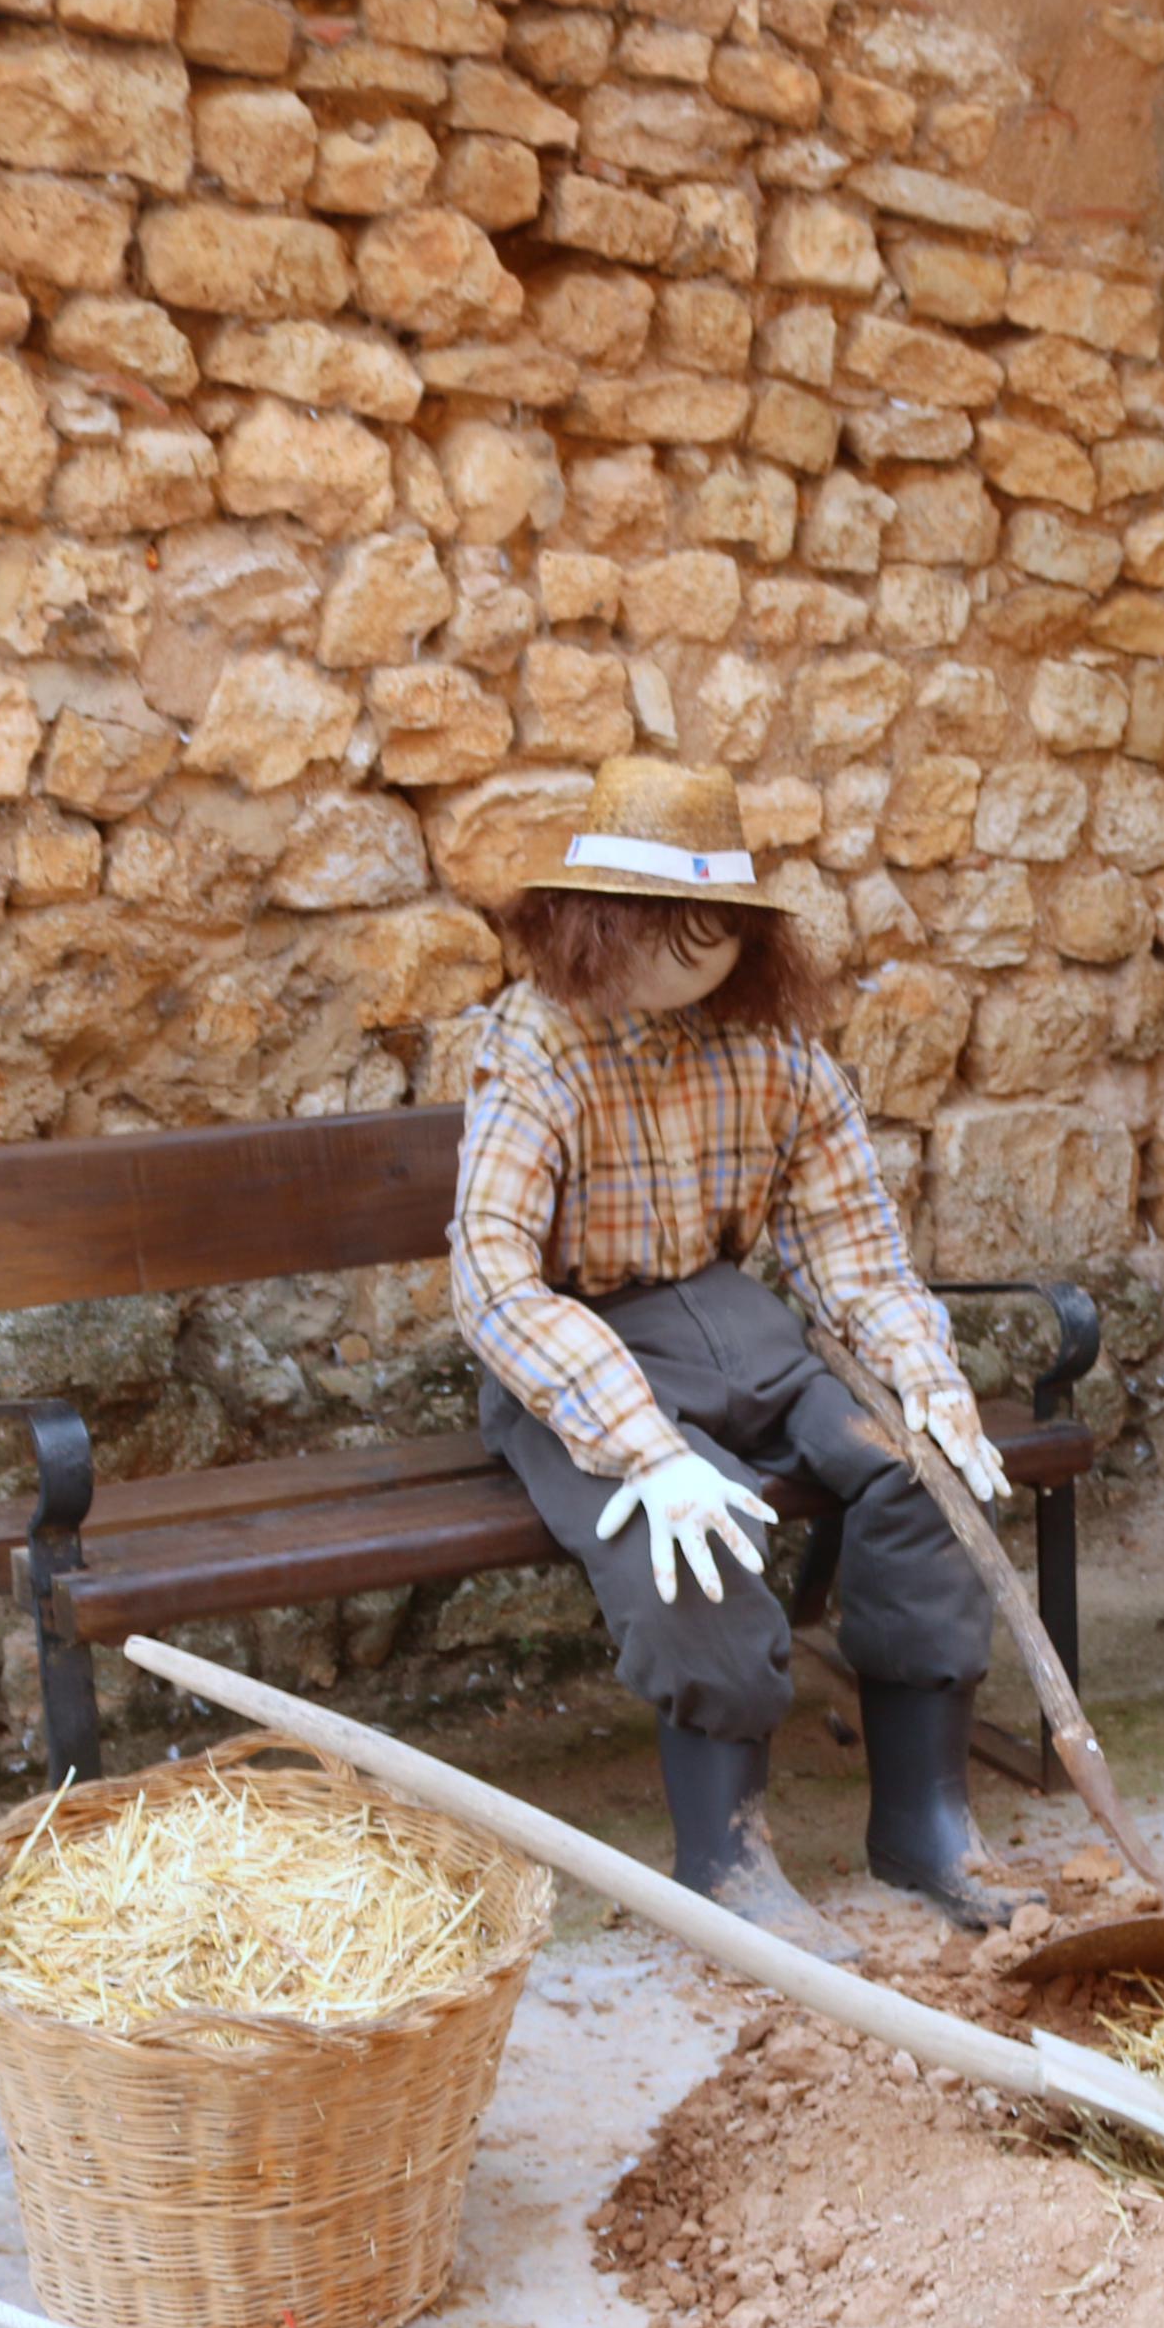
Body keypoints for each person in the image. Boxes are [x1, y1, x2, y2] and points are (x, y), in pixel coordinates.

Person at [450, 756, 1013, 1960]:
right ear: (592, 925)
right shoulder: (535, 1045)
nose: (684, 961)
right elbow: (492, 1273)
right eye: (659, 931)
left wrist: (927, 1380)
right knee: (688, 1535)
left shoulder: (777, 1052)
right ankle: (728, 1856)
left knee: (922, 1472)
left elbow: (851, 1249)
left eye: (711, 935)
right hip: (579, 1361)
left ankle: (923, 1818)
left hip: (744, 1332)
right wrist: (645, 1451)